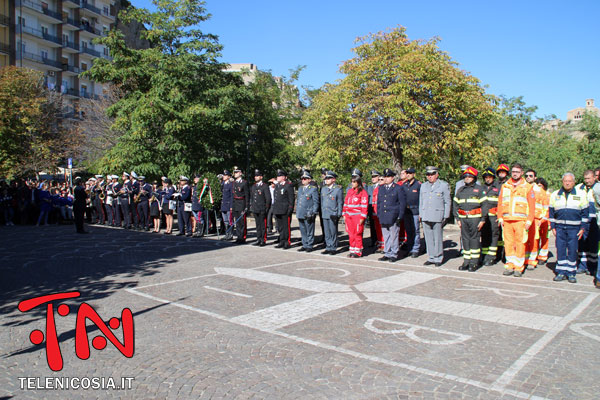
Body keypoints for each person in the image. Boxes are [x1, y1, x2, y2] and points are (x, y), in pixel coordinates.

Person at [550, 172, 589, 283]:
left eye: (570, 181)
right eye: (565, 181)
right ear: (562, 182)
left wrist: (582, 228)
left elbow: (585, 214)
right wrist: (553, 226)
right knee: (560, 249)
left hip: (574, 229)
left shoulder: (581, 194)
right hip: (560, 228)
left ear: (574, 182)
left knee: (572, 250)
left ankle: (571, 273)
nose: (567, 183)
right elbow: (551, 212)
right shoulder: (555, 194)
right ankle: (561, 272)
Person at [497, 163, 536, 277]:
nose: (515, 174)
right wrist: (500, 217)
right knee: (508, 243)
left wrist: (529, 221)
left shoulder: (527, 187)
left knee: (520, 243)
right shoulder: (505, 186)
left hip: (521, 220)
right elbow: (500, 203)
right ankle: (510, 265)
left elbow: (532, 206)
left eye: (517, 172)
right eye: (513, 172)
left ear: (521, 173)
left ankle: (519, 267)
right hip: (507, 220)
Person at [453, 167, 486, 271]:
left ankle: (474, 262)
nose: (467, 178)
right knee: (465, 240)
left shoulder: (479, 189)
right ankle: (466, 261)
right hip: (463, 219)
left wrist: (483, 220)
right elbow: (455, 205)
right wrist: (457, 218)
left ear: (474, 177)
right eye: (465, 176)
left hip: (475, 219)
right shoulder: (460, 190)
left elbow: (485, 206)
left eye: (469, 176)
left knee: (474, 240)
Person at [419, 166, 451, 267]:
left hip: (438, 214)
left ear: (437, 175)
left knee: (437, 237)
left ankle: (438, 257)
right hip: (426, 214)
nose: (430, 176)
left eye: (432, 174)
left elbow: (447, 201)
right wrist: (421, 214)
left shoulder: (443, 185)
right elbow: (421, 201)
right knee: (428, 237)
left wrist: (446, 215)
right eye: (428, 175)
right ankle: (431, 257)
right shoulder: (423, 186)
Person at [377, 168, 406, 262]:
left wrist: (400, 216)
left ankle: (394, 253)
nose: (386, 178)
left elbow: (402, 203)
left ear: (393, 178)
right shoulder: (381, 188)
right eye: (385, 176)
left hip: (394, 216)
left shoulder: (398, 188)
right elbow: (379, 202)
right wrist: (379, 214)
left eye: (388, 176)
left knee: (394, 236)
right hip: (384, 215)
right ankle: (387, 252)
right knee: (386, 236)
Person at [576, 170, 600, 275]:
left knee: (593, 245)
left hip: (594, 222)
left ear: (594, 177)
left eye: (589, 178)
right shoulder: (579, 188)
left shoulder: (598, 188)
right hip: (583, 222)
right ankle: (582, 265)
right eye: (585, 179)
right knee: (582, 244)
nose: (587, 181)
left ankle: (593, 267)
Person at [523, 169, 547, 270]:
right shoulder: (522, 188)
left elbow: (546, 207)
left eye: (531, 176)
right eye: (527, 175)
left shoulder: (540, 191)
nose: (528, 177)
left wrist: (542, 219)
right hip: (524, 218)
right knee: (523, 240)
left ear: (535, 178)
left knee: (534, 240)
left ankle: (532, 261)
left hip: (536, 219)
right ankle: (524, 259)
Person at [343, 170, 369, 257]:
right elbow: (346, 203)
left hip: (357, 216)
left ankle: (358, 251)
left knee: (357, 233)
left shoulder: (363, 192)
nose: (352, 183)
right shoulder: (350, 191)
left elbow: (364, 206)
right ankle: (352, 250)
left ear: (358, 182)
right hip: (349, 216)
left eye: (354, 182)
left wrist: (362, 217)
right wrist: (344, 214)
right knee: (350, 234)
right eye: (352, 181)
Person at [480, 167, 501, 266]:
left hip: (494, 217)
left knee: (494, 236)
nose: (487, 179)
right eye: (486, 177)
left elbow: (501, 203)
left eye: (489, 177)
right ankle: (484, 255)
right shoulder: (481, 188)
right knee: (484, 236)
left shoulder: (498, 187)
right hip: (484, 217)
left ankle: (492, 257)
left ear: (493, 177)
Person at [320, 171, 343, 255]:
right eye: (326, 178)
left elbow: (340, 202)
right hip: (325, 212)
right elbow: (322, 202)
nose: (326, 180)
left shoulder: (338, 189)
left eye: (328, 178)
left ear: (333, 179)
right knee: (327, 231)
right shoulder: (323, 188)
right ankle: (328, 246)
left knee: (333, 231)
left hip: (333, 213)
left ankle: (333, 247)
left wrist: (339, 214)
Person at [296, 170, 320, 252]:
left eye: (305, 179)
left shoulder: (313, 189)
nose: (303, 180)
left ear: (309, 180)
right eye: (302, 178)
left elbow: (316, 202)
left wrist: (313, 212)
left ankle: (309, 245)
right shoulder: (300, 188)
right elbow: (299, 200)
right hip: (301, 212)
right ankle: (304, 244)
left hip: (308, 213)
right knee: (303, 230)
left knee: (309, 230)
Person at [272, 169, 295, 249]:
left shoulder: (288, 185)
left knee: (286, 227)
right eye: (278, 176)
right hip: (278, 209)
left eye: (279, 176)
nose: (277, 177)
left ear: (284, 177)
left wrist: (290, 209)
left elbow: (291, 198)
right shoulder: (277, 185)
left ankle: (287, 242)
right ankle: (281, 241)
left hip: (285, 210)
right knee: (280, 227)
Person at [402, 167, 421, 258]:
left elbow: (422, 199)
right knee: (408, 231)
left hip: (415, 210)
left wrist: (421, 212)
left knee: (416, 230)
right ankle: (409, 248)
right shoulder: (404, 185)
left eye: (410, 173)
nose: (408, 174)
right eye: (407, 173)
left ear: (414, 174)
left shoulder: (418, 185)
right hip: (406, 211)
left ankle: (415, 249)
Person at [249, 170, 271, 246]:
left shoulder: (265, 186)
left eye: (257, 176)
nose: (255, 177)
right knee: (258, 225)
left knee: (263, 225)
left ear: (261, 177)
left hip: (262, 209)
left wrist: (266, 209)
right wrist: (252, 207)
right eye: (255, 176)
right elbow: (252, 198)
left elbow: (268, 199)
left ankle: (263, 240)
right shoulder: (254, 186)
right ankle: (258, 239)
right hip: (256, 208)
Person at [367, 170, 384, 252]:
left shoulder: (381, 186)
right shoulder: (370, 187)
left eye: (375, 176)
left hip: (379, 210)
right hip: (371, 209)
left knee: (380, 227)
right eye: (372, 177)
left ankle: (381, 242)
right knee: (373, 227)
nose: (373, 178)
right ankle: (374, 241)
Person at [535, 178, 551, 265]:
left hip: (546, 220)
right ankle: (536, 254)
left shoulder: (548, 195)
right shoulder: (535, 194)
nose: (538, 187)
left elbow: (550, 209)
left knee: (545, 239)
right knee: (536, 238)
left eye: (540, 185)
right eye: (537, 185)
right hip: (537, 220)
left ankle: (543, 256)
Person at [232, 167, 250, 244]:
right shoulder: (234, 183)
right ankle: (239, 237)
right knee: (237, 222)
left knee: (242, 222)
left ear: (240, 173)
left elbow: (247, 195)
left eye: (236, 172)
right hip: (236, 203)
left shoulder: (244, 182)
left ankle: (243, 237)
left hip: (242, 203)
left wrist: (246, 206)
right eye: (234, 172)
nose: (235, 174)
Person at [220, 170, 234, 240]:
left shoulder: (230, 184)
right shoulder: (223, 184)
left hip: (228, 205)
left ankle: (230, 234)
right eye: (223, 175)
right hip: (223, 205)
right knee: (225, 221)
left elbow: (232, 196)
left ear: (229, 177)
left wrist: (231, 206)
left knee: (230, 221)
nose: (223, 176)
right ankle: (227, 233)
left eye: (225, 175)